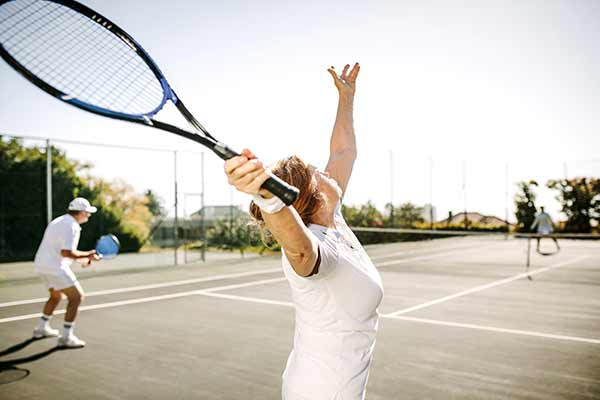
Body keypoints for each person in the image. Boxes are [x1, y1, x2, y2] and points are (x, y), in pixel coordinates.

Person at [224, 63, 384, 399]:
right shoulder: (315, 246)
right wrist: (269, 200)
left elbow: (344, 152)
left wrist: (347, 98)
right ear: (310, 195)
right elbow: (299, 251)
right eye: (316, 172)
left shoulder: (333, 220)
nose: (326, 170)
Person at [32, 197, 100, 348]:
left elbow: (59, 250)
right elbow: (66, 252)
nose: (88, 215)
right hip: (54, 268)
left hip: (41, 265)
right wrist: (88, 254)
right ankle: (66, 337)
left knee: (55, 296)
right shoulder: (72, 226)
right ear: (81, 212)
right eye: (87, 212)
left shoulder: (59, 221)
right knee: (77, 297)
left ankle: (41, 328)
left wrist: (82, 259)